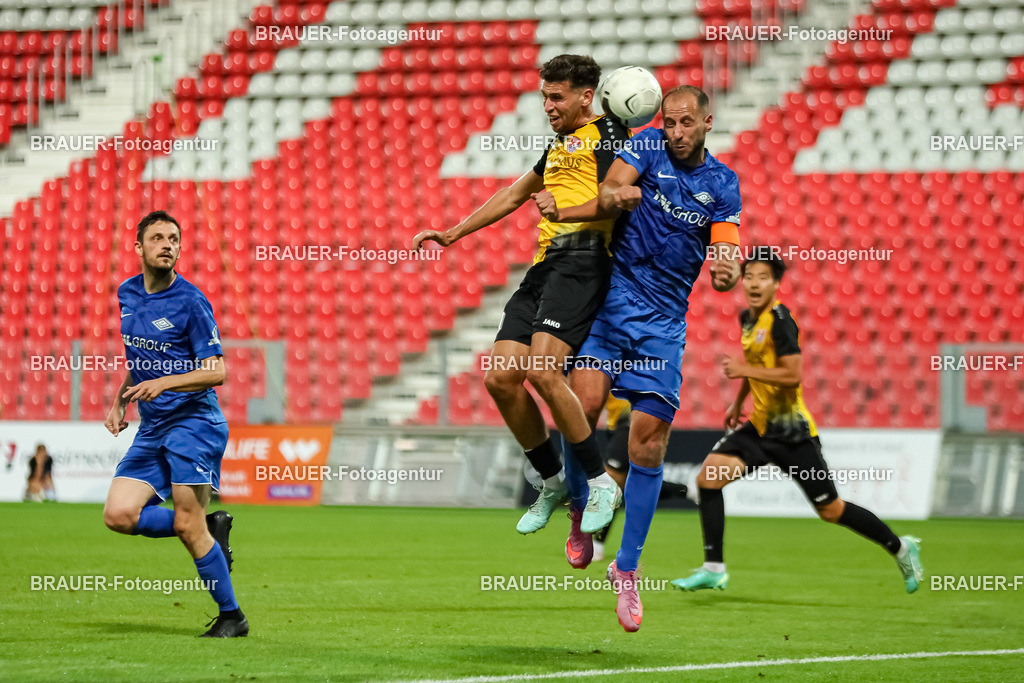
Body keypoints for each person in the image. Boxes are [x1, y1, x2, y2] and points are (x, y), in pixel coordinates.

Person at [412, 54, 629, 537]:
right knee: (501, 378)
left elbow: (615, 200)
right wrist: (453, 233)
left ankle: (600, 484)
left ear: (585, 96)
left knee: (543, 371)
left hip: (583, 262)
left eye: (557, 97)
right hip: (544, 267)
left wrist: (564, 209)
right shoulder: (560, 144)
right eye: (544, 97)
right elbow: (513, 195)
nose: (548, 106)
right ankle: (552, 482)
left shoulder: (611, 135)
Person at [552, 85, 743, 631]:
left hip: (662, 327)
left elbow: (726, 252)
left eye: (686, 123)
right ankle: (580, 508)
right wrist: (618, 194)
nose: (676, 132)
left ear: (707, 123)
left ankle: (627, 568)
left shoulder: (722, 183)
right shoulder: (646, 145)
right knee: (582, 408)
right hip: (612, 307)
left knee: (649, 442)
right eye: (670, 122)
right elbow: (612, 185)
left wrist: (726, 271)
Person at [671, 252, 924, 594]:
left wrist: (743, 371)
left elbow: (792, 374)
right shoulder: (748, 318)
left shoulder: (781, 321)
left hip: (792, 435)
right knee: (708, 479)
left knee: (831, 510)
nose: (754, 283)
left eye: (763, 277)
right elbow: (756, 361)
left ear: (776, 284)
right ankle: (713, 569)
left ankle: (901, 547)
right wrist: (739, 401)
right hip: (758, 428)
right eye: (749, 276)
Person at [102, 210, 247, 638]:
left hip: (193, 423)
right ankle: (210, 526)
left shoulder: (191, 302)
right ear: (139, 247)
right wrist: (120, 401)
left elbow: (216, 371)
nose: (167, 245)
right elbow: (140, 357)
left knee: (186, 524)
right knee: (119, 515)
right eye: (158, 238)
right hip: (153, 427)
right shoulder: (127, 293)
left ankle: (232, 617)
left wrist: (164, 383)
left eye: (174, 239)